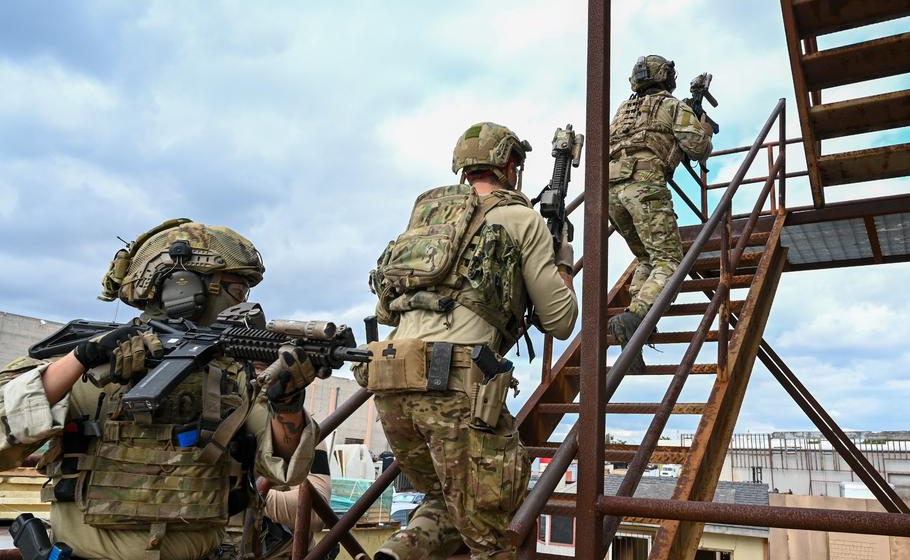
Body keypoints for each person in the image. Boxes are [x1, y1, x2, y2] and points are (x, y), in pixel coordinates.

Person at [0, 219, 319, 560]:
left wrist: (287, 401)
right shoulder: (86, 361)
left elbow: (287, 469)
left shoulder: (232, 374)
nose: (241, 304)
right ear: (181, 286)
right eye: (236, 289)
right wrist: (82, 358)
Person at [360, 122, 578, 560]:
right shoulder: (522, 218)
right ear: (510, 165)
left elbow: (388, 306)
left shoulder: (427, 218)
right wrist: (563, 263)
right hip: (452, 383)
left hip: (387, 376)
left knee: (442, 500)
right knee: (497, 536)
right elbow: (560, 320)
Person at [606, 55, 715, 373]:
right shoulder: (671, 105)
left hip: (612, 191)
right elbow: (696, 148)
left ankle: (637, 329)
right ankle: (638, 315)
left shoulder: (623, 112)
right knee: (670, 262)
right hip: (645, 187)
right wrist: (704, 130)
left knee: (647, 260)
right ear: (666, 77)